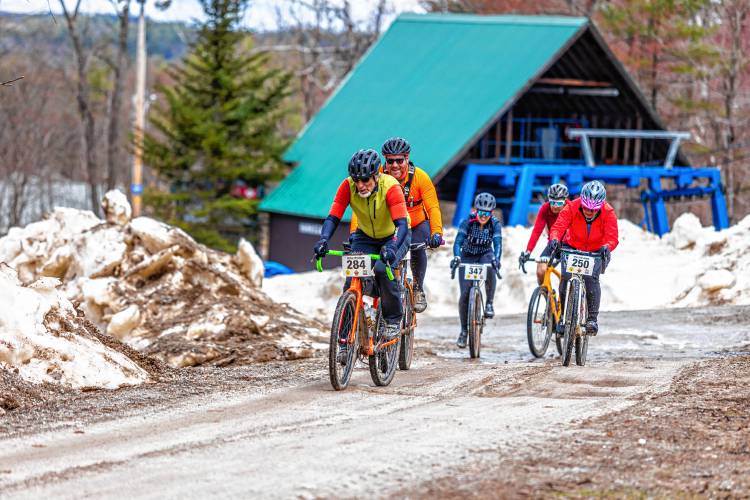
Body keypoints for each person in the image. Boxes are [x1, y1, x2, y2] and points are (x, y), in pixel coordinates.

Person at [314, 149, 410, 341]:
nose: (360, 185)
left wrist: (391, 248)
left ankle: (392, 319)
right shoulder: (347, 186)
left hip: (395, 234)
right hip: (365, 235)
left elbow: (401, 224)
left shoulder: (390, 187)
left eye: (365, 180)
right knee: (352, 280)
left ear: (376, 175)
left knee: (383, 269)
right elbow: (333, 217)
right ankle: (344, 338)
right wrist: (323, 239)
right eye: (356, 180)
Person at [351, 137, 443, 313]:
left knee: (417, 247)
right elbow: (359, 207)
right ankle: (374, 292)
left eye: (399, 160)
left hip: (415, 223)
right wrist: (354, 231)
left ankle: (417, 288)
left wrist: (437, 232)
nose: (394, 165)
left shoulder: (420, 178)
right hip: (387, 223)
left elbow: (433, 207)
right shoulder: (375, 174)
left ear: (407, 159)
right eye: (390, 161)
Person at [543, 180, 619, 336]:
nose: (588, 212)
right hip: (572, 246)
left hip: (595, 250)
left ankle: (592, 319)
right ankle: (564, 317)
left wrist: (607, 247)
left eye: (593, 210)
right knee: (565, 277)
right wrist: (555, 239)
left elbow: (612, 237)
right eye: (585, 208)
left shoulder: (608, 212)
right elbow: (558, 227)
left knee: (591, 280)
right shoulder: (571, 207)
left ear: (600, 206)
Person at [451, 192, 502, 348]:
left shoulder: (495, 223)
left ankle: (489, 304)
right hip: (467, 255)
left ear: (491, 212)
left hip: (485, 254)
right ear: (476, 210)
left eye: (487, 213)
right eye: (481, 212)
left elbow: (498, 244)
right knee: (465, 295)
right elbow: (457, 243)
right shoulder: (467, 221)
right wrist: (457, 257)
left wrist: (497, 259)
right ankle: (464, 331)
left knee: (491, 267)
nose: (483, 215)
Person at [518, 183, 569, 285]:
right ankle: (547, 297)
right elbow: (537, 231)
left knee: (567, 278)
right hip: (553, 244)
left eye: (558, 203)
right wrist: (528, 251)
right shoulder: (545, 209)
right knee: (540, 271)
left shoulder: (571, 207)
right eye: (552, 202)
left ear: (565, 202)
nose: (554, 206)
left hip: (570, 245)